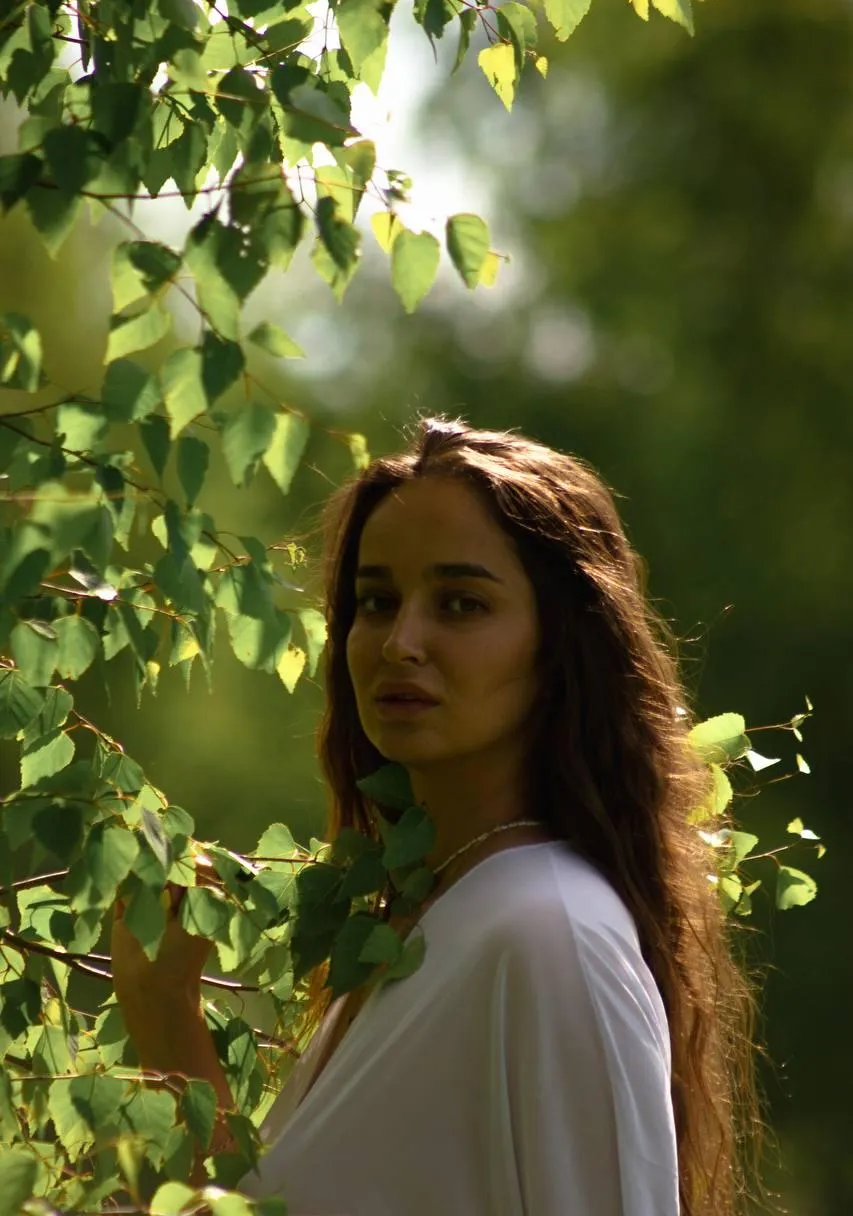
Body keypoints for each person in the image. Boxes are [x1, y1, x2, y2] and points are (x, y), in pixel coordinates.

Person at [111, 416, 760, 1216]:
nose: (400, 641)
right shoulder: (422, 924)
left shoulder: (548, 932)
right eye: (376, 601)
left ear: (561, 647)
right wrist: (162, 1008)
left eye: (460, 603)